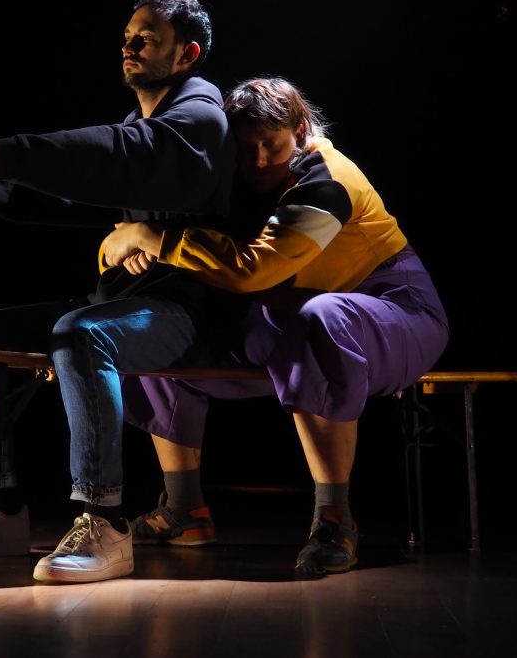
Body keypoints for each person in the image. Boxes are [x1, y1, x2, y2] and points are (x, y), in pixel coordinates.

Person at [0, 0, 249, 583]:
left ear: (186, 53)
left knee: (82, 334)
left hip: (191, 313)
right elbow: (54, 194)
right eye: (127, 36)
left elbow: (119, 155)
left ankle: (104, 519)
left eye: (147, 38)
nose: (129, 46)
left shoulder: (199, 120)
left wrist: (3, 152)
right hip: (125, 305)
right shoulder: (143, 126)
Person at [100, 76, 451, 578]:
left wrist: (154, 238)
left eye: (272, 144)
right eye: (247, 149)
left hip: (395, 309)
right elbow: (165, 238)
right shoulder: (235, 180)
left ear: (300, 131)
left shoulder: (329, 180)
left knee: (323, 319)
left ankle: (334, 520)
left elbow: (251, 270)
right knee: (158, 329)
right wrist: (129, 246)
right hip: (290, 307)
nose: (260, 160)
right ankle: (185, 510)